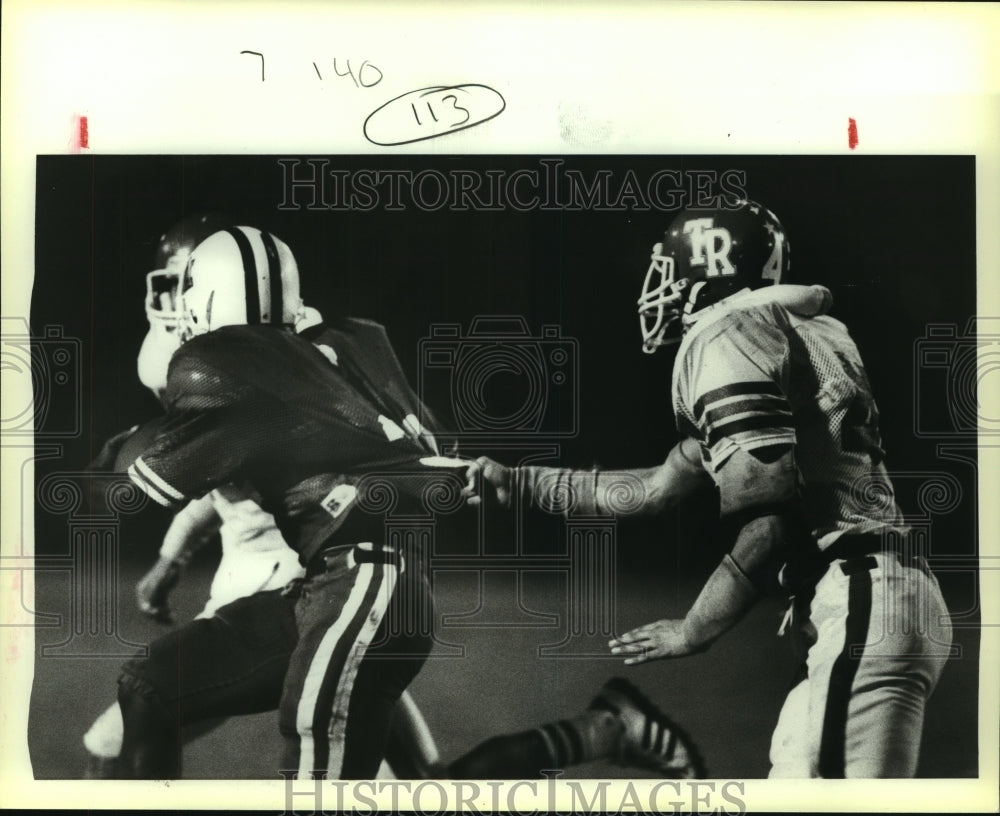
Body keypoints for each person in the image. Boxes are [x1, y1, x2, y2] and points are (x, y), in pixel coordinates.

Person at [465, 199, 953, 778]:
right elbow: (657, 486)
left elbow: (771, 521)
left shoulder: (731, 331)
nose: (662, 287)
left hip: (862, 598)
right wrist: (521, 483)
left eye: (671, 270)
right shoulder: (791, 328)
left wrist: (695, 628)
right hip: (871, 594)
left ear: (710, 267)